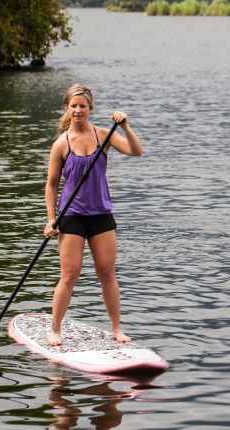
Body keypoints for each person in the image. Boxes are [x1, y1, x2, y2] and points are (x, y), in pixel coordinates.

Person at [43, 83, 143, 346]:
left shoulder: (103, 135)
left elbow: (136, 151)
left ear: (90, 109)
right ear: (67, 108)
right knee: (70, 274)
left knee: (107, 273)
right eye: (74, 106)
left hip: (101, 215)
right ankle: (55, 330)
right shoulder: (60, 144)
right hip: (71, 216)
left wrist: (125, 127)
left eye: (83, 106)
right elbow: (52, 184)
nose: (78, 110)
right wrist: (51, 219)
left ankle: (116, 329)